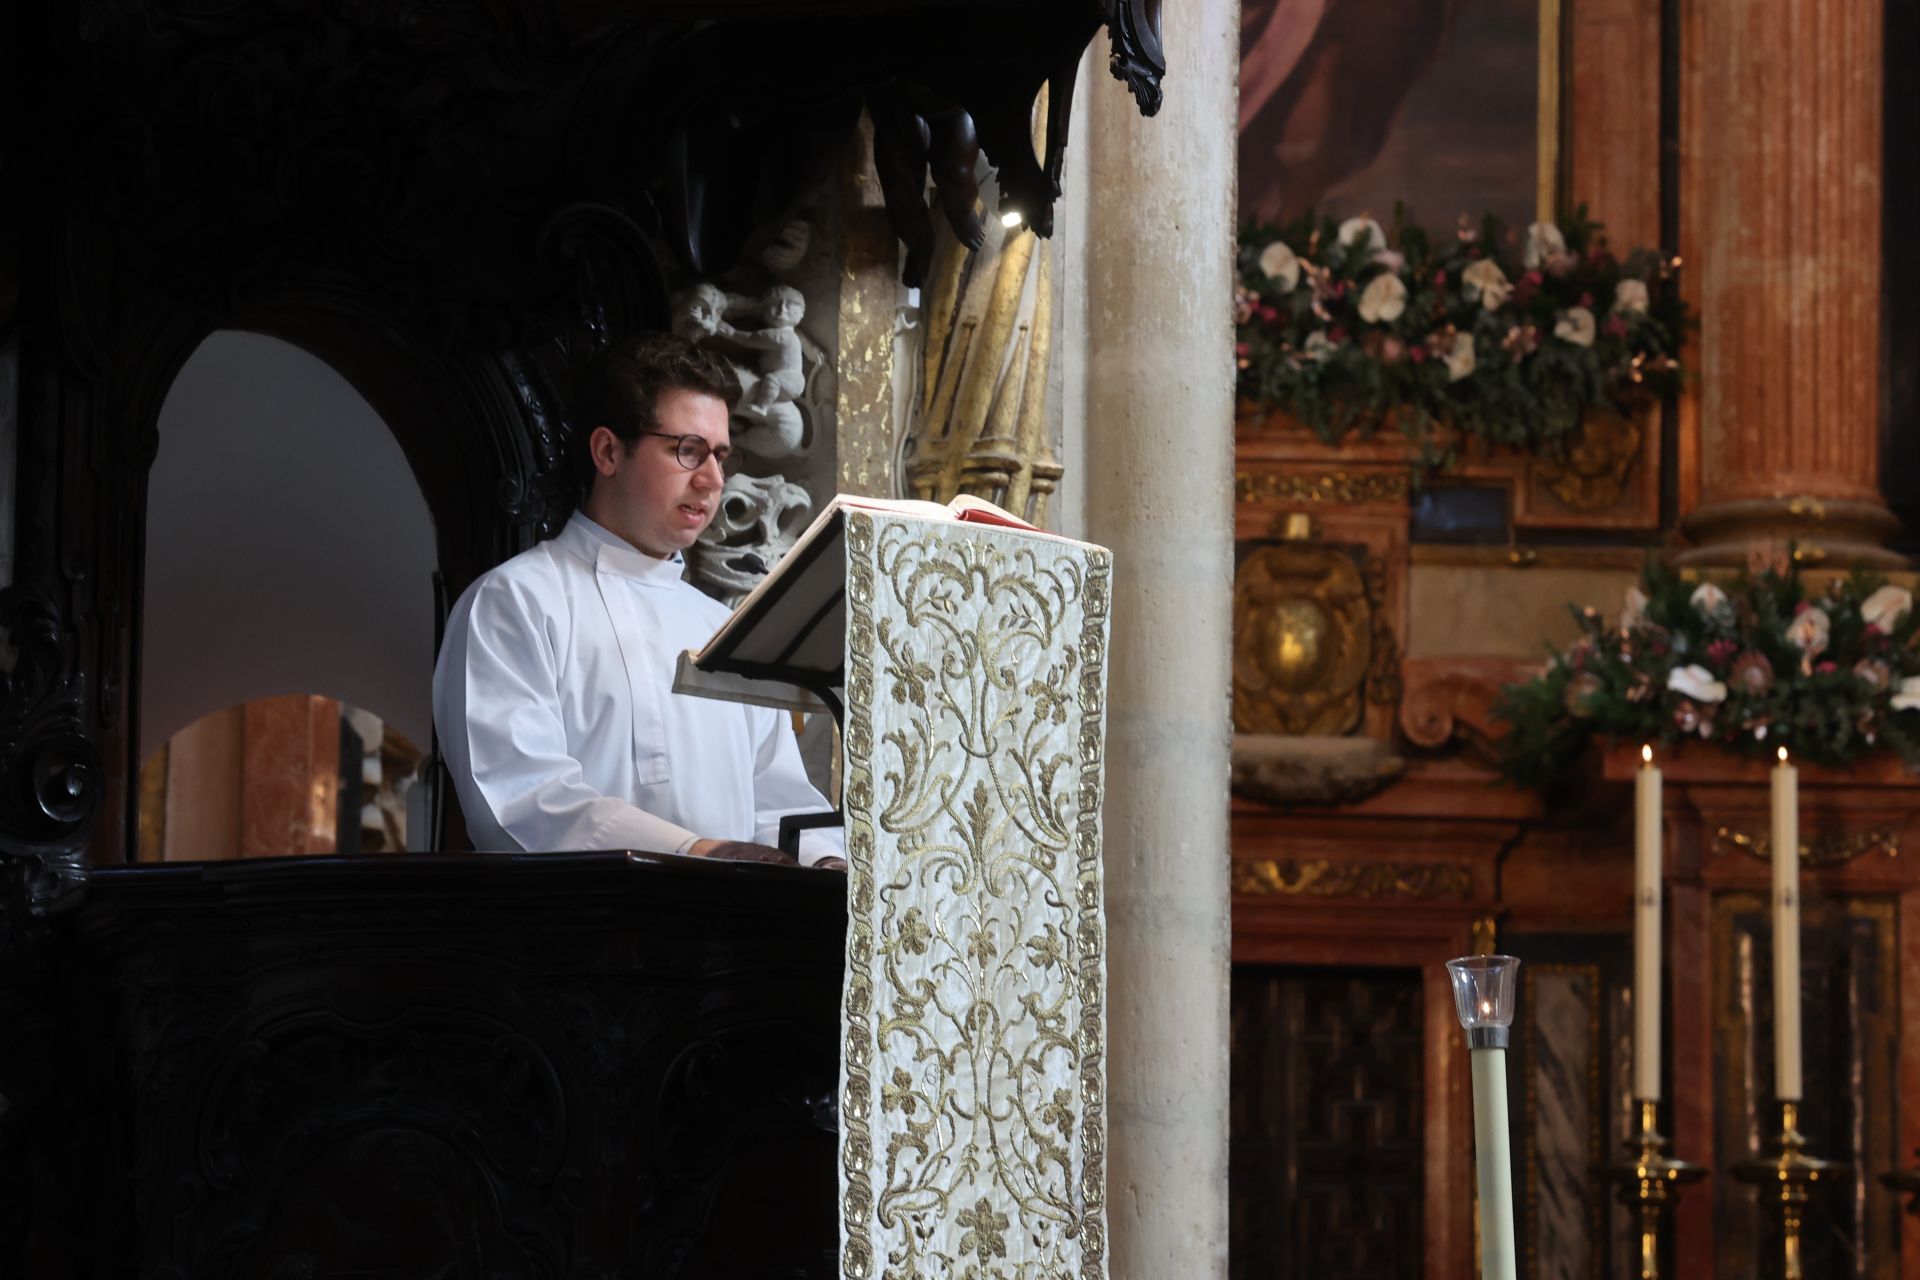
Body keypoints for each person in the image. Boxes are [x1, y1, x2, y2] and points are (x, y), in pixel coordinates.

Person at [432, 332, 845, 868]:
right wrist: (696, 852)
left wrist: (821, 863)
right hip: (581, 933)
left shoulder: (724, 627)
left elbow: (780, 800)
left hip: (739, 938)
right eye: (688, 450)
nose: (712, 479)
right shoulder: (515, 602)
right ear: (608, 451)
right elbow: (521, 798)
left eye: (721, 455)